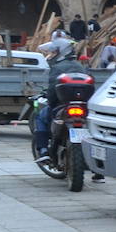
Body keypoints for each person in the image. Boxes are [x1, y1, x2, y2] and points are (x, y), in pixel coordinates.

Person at [34, 30, 78, 165]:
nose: (52, 55)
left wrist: (51, 102)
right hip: (82, 107)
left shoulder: (57, 68)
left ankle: (43, 151)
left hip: (61, 106)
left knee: (40, 117)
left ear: (61, 52)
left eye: (54, 52)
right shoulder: (80, 66)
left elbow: (53, 91)